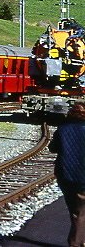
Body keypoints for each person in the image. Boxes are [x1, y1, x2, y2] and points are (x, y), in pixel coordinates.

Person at [50, 101, 85, 247]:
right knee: (81, 212)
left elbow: (53, 148)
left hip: (67, 176)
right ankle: (77, 242)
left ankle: (77, 241)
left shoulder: (62, 129)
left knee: (76, 212)